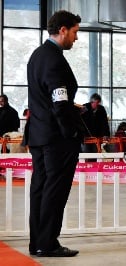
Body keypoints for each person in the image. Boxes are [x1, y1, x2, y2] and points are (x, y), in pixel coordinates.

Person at [26, 10, 82, 257]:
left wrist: (69, 106)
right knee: (55, 190)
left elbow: (49, 97)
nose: (76, 38)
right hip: (56, 137)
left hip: (38, 133)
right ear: (63, 30)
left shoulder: (37, 56)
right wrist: (70, 132)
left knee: (40, 188)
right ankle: (48, 243)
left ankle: (37, 242)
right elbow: (59, 100)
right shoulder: (54, 59)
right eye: (75, 32)